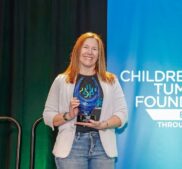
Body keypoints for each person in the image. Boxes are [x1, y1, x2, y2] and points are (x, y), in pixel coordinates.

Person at [43, 32, 128, 169]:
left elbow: (122, 114)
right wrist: (68, 115)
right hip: (71, 148)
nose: (90, 52)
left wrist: (104, 124)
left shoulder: (111, 80)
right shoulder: (61, 80)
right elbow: (48, 116)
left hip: (103, 148)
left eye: (95, 49)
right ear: (77, 50)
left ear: (99, 55)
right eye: (86, 47)